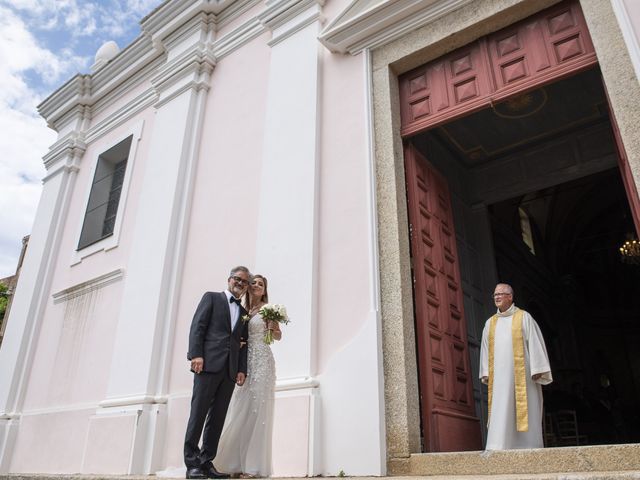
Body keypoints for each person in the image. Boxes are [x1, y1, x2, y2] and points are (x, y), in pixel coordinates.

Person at [184, 266, 251, 479]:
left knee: (218, 418)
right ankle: (192, 464)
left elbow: (243, 343)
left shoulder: (244, 313)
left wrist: (241, 369)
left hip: (229, 370)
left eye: (245, 281)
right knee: (198, 413)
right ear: (230, 279)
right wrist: (196, 355)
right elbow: (198, 327)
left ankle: (206, 462)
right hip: (207, 363)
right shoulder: (211, 298)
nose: (240, 283)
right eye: (238, 279)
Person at [214, 274, 282, 478]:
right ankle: (233, 464)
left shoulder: (268, 310)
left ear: (264, 290)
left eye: (261, 284)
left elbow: (277, 336)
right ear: (249, 287)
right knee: (239, 409)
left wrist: (272, 328)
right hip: (243, 363)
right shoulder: (243, 311)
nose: (257, 286)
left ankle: (253, 466)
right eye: (254, 283)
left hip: (262, 361)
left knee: (257, 411)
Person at [480, 283, 552, 450]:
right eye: (495, 294)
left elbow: (534, 342)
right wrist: (485, 372)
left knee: (525, 408)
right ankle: (498, 445)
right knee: (501, 408)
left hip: (523, 377)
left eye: (500, 294)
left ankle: (528, 446)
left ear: (510, 297)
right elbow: (485, 348)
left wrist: (537, 369)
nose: (496, 297)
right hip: (499, 379)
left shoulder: (524, 317)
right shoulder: (490, 323)